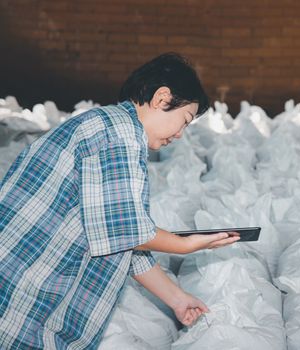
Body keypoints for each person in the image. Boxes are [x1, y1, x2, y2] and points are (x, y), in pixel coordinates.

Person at [0, 53, 240, 349]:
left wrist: (177, 299)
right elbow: (125, 231)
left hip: (22, 278)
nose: (179, 134)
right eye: (184, 121)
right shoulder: (119, 134)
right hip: (24, 286)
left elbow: (124, 241)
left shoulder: (112, 127)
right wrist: (186, 245)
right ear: (162, 98)